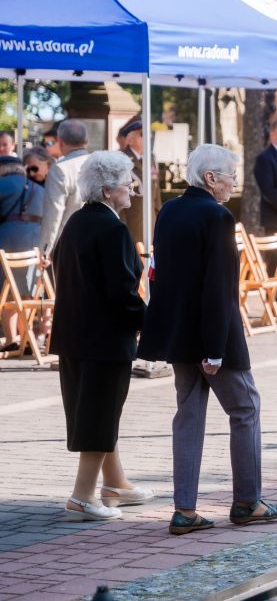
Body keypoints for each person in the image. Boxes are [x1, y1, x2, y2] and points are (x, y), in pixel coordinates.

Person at [138, 144, 277, 535]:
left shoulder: (168, 210)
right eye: (229, 175)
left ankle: (184, 508)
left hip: (176, 330)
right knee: (246, 406)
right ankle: (247, 501)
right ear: (210, 178)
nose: (233, 182)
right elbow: (219, 288)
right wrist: (216, 349)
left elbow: (162, 275)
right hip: (210, 333)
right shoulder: (217, 216)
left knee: (188, 415)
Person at [49, 151, 154, 522]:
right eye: (128, 183)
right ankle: (81, 496)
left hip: (73, 334)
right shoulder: (113, 230)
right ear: (109, 190)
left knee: (100, 410)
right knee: (99, 413)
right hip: (104, 338)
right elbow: (123, 293)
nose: (133, 190)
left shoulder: (76, 222)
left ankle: (116, 484)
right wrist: (152, 322)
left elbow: (59, 271)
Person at [1, 155, 47, 353]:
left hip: (6, 242)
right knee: (26, 291)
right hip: (34, 244)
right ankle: (26, 338)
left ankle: (11, 339)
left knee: (5, 292)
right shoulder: (39, 189)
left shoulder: (3, 184)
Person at [40, 119, 90, 253]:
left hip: (68, 244)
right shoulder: (99, 165)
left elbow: (54, 213)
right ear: (86, 141)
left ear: (60, 141)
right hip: (98, 242)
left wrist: (45, 249)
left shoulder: (60, 169)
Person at [117, 120, 161, 248]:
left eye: (149, 133)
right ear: (130, 140)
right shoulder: (121, 159)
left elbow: (156, 192)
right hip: (132, 225)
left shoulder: (151, 158)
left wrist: (159, 217)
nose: (148, 137)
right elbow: (118, 196)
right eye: (142, 134)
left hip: (151, 223)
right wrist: (122, 226)